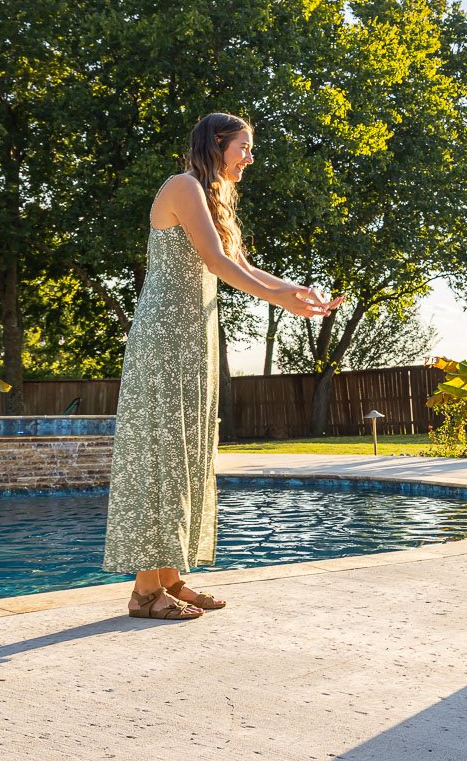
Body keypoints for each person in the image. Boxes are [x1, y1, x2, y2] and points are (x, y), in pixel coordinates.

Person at [103, 113, 342, 620]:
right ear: (217, 143)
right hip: (164, 344)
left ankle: (170, 578)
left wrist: (293, 292)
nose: (250, 158)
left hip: (193, 343)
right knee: (163, 456)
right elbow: (216, 264)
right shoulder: (183, 185)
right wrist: (285, 304)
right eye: (244, 147)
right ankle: (145, 593)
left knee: (187, 452)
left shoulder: (209, 198)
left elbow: (243, 266)